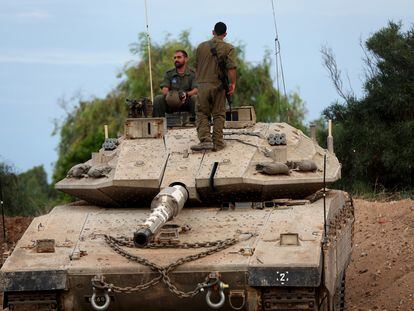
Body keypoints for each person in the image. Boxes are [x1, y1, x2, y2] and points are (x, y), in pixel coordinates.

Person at [191, 22, 237, 152]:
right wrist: (232, 84)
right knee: (218, 114)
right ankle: (218, 142)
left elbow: (196, 66)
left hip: (202, 85)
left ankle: (205, 140)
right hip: (218, 85)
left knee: (202, 112)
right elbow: (232, 68)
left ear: (213, 32)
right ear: (225, 34)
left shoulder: (201, 47)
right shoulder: (228, 48)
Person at [152, 50, 198, 119]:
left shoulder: (193, 73)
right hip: (172, 101)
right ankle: (158, 123)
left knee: (195, 98)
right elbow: (165, 89)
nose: (176, 59)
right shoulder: (169, 73)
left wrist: (186, 94)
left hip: (186, 101)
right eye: (175, 58)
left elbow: (196, 89)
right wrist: (171, 96)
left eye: (179, 57)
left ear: (186, 59)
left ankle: (197, 122)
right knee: (158, 99)